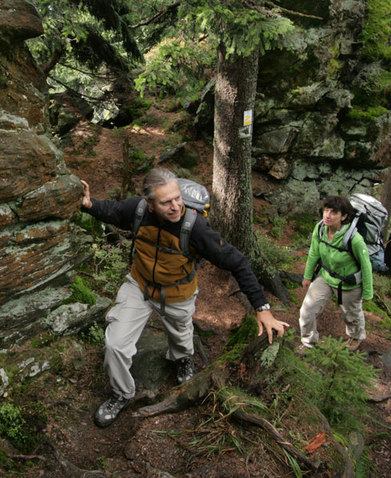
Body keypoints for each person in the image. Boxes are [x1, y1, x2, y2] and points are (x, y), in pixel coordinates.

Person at [80, 167, 289, 427]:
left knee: (181, 338)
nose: (175, 206)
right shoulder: (137, 210)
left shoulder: (195, 227)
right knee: (115, 345)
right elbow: (112, 210)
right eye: (166, 202)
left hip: (178, 293)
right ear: (150, 203)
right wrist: (89, 205)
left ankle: (182, 359)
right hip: (139, 287)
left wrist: (262, 307)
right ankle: (121, 393)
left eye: (177, 198)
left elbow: (238, 262)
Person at [298, 195, 373, 353]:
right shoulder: (320, 229)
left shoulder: (354, 239)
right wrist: (307, 276)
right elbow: (313, 253)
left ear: (344, 216)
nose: (327, 215)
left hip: (349, 284)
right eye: (326, 210)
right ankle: (308, 342)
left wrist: (367, 293)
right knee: (307, 311)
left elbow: (366, 266)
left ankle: (356, 336)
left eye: (333, 212)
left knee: (351, 315)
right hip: (325, 277)